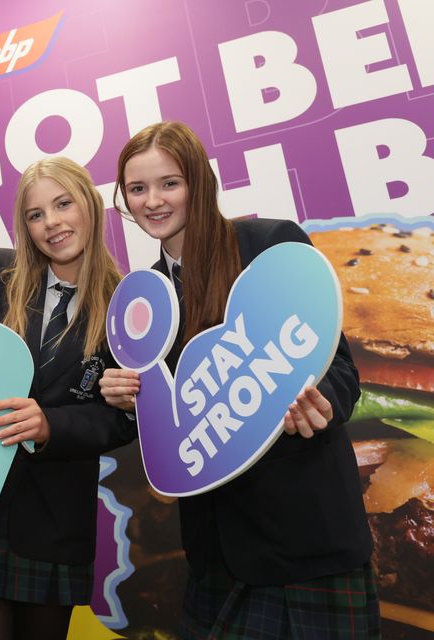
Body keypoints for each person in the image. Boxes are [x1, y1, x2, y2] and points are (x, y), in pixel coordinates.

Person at [100, 121, 379, 638]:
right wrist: (126, 395)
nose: (153, 201)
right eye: (137, 189)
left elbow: (338, 367)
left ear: (199, 184)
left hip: (304, 541)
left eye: (169, 183)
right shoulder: (145, 298)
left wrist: (323, 404)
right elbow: (168, 426)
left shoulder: (268, 243)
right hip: (215, 553)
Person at [0, 157, 137, 640]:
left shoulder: (127, 304)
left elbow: (121, 421)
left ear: (90, 207)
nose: (51, 223)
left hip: (55, 523)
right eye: (36, 214)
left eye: (62, 204)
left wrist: (52, 425)